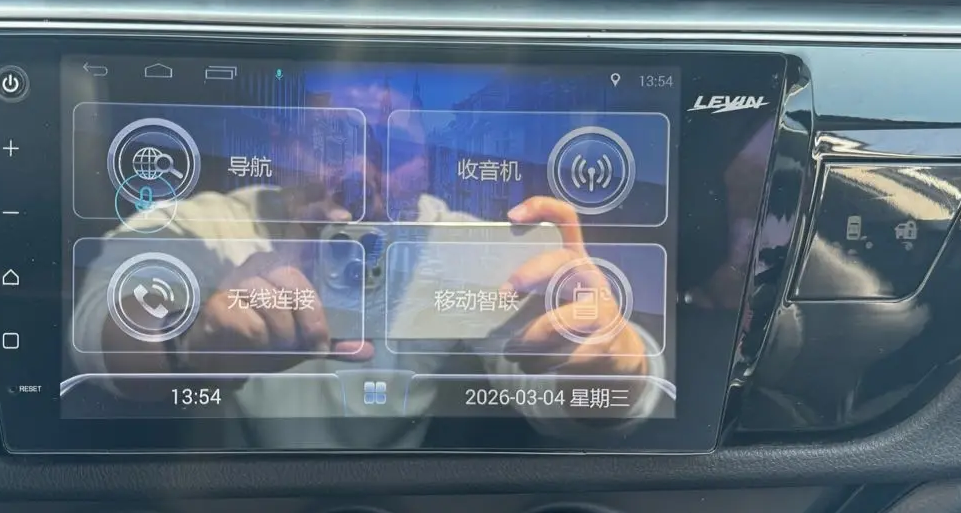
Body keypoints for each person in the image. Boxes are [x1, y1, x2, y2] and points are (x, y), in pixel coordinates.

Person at [68, 77, 668, 447]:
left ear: (428, 163)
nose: (359, 173)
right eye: (331, 141)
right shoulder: (217, 224)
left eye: (395, 148)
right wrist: (187, 340)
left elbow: (568, 394)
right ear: (281, 145)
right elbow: (101, 324)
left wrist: (610, 360)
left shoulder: (455, 242)